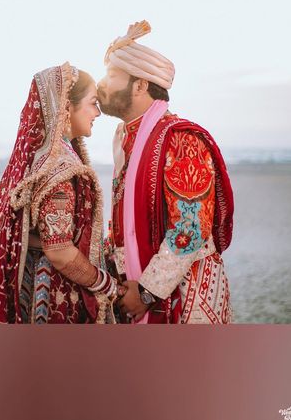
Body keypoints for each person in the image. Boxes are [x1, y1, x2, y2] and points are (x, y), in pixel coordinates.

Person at [97, 21, 234, 324]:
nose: (101, 84)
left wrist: (146, 292)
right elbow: (123, 221)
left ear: (141, 85)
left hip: (187, 292)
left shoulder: (182, 140)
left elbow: (191, 226)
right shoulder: (124, 136)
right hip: (132, 284)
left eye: (111, 76)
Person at [0, 62, 117, 324]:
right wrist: (106, 284)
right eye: (93, 103)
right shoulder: (60, 167)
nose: (98, 112)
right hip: (49, 292)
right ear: (67, 108)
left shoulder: (43, 158)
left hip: (34, 281)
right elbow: (59, 251)